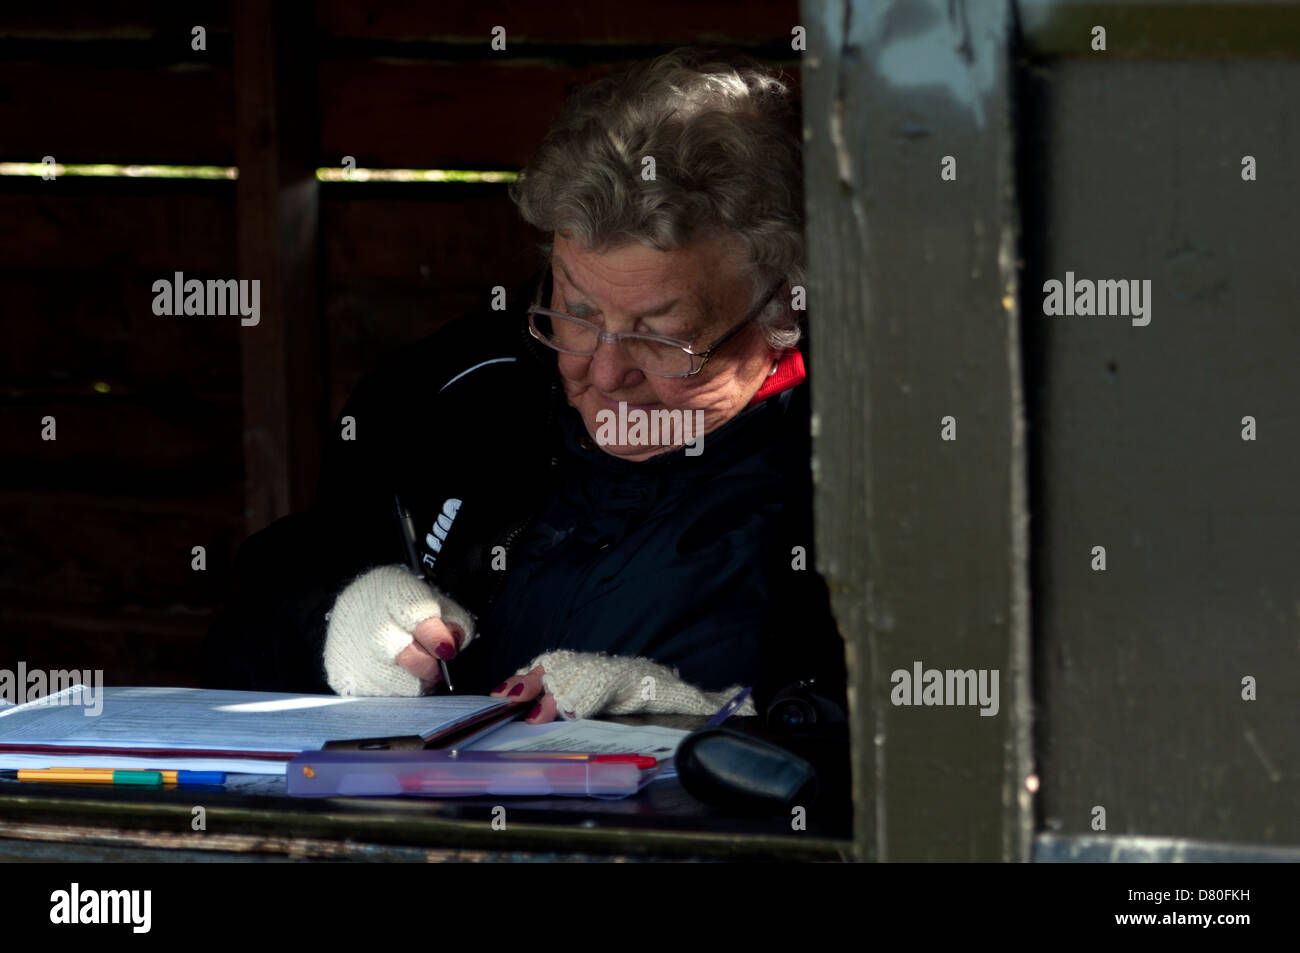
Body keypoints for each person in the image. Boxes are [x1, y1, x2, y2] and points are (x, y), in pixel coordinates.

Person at [202, 47, 847, 727]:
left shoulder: (865, 486)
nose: (602, 373)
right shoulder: (462, 394)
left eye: (661, 335)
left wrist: (722, 726)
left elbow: (929, 745)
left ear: (783, 306)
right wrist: (330, 622)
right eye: (577, 311)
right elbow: (248, 623)